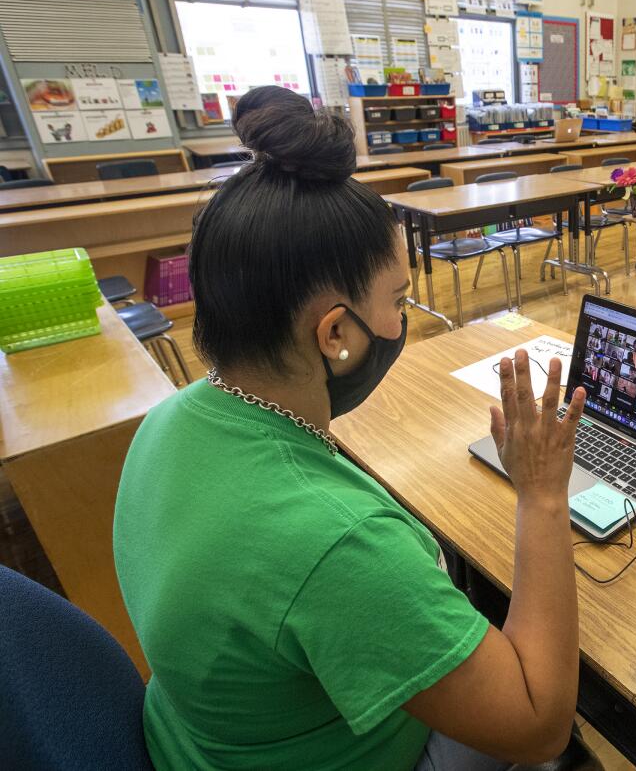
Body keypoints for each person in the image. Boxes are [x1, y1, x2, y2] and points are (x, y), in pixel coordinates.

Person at [113, 86, 587, 770]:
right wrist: (542, 493)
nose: (403, 321)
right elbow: (540, 724)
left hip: (202, 744)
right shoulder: (337, 545)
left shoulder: (168, 419)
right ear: (335, 332)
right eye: (396, 300)